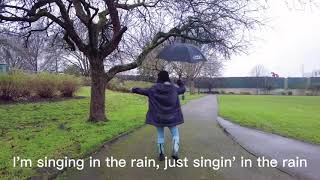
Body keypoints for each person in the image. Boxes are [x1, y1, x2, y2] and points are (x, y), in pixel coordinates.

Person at [131, 70, 186, 161]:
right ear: (168, 78)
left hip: (158, 118)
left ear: (159, 78)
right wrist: (180, 83)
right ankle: (175, 151)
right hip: (172, 118)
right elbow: (183, 90)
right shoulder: (174, 89)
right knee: (175, 134)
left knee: (160, 135)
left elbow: (143, 91)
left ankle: (161, 154)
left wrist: (133, 89)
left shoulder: (153, 89)